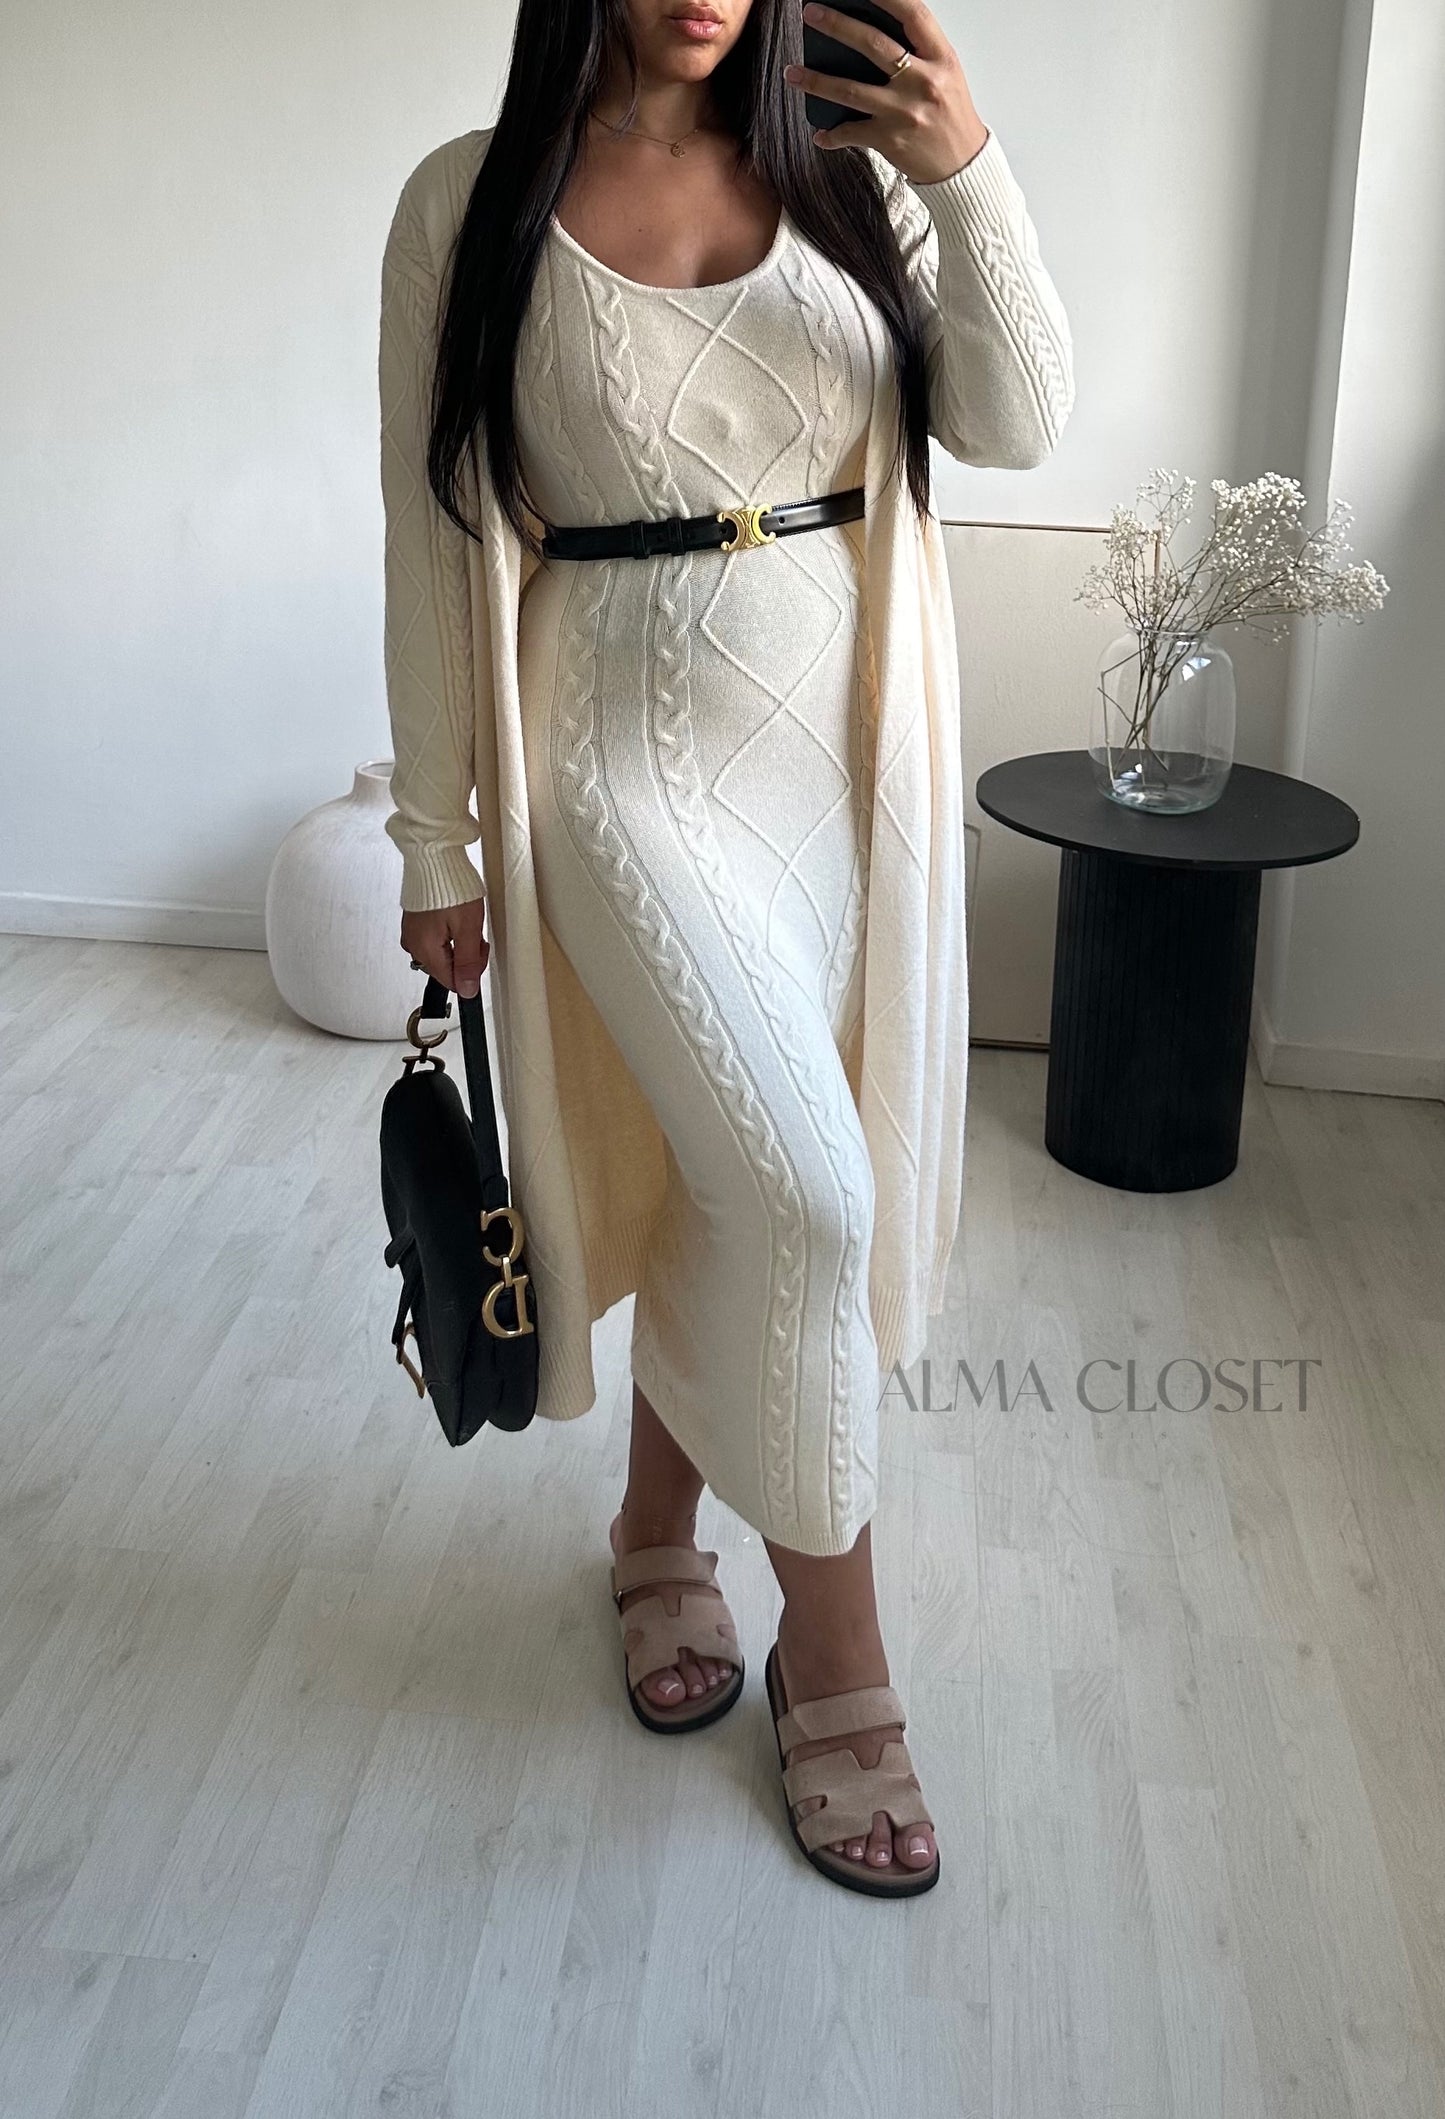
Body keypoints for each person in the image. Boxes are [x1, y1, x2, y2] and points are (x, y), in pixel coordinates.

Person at [379, 0, 1073, 1897]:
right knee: (807, 1192)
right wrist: (436, 830)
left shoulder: (859, 178)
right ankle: (836, 1662)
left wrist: (965, 168)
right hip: (609, 761)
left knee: (735, 1170)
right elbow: (430, 530)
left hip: (845, 757)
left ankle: (652, 1534)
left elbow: (1017, 421)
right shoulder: (467, 203)